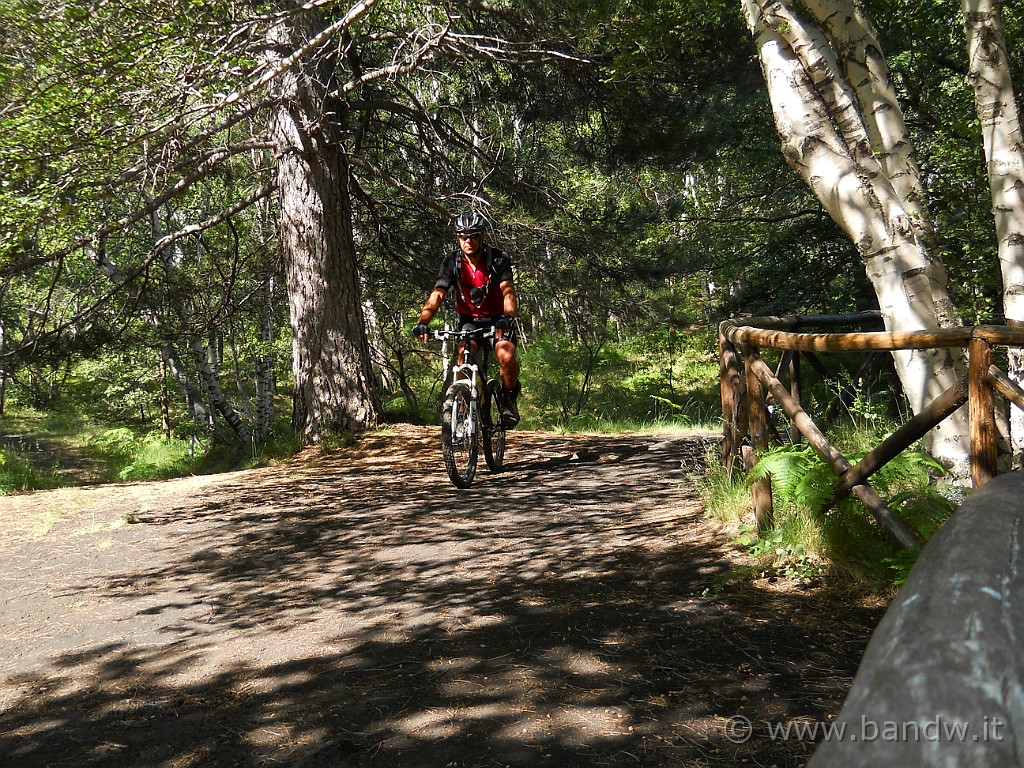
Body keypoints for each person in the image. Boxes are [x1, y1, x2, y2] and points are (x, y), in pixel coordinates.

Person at [412, 210, 522, 427]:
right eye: (464, 236)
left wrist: (508, 317)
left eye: (473, 235)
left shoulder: (498, 259)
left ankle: (509, 398)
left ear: (482, 237)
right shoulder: (452, 262)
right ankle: (465, 408)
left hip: (498, 319)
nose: (468, 241)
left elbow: (508, 290)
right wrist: (422, 322)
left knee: (506, 357)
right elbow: (438, 294)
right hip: (469, 319)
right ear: (457, 239)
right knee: (464, 358)